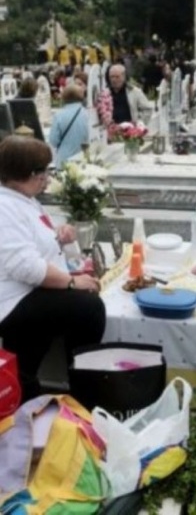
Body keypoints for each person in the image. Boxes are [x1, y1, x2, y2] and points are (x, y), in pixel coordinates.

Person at [0, 136, 105, 401]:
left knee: (85, 302)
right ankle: (84, 392)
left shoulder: (22, 199)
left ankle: (34, 380)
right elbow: (27, 268)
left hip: (28, 293)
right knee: (89, 308)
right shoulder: (5, 207)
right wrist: (71, 282)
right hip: (13, 301)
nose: (48, 177)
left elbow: (31, 243)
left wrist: (57, 236)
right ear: (31, 174)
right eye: (45, 171)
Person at [47, 84, 89, 168]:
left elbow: (53, 141)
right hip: (84, 158)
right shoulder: (88, 114)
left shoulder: (59, 115)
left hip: (64, 160)